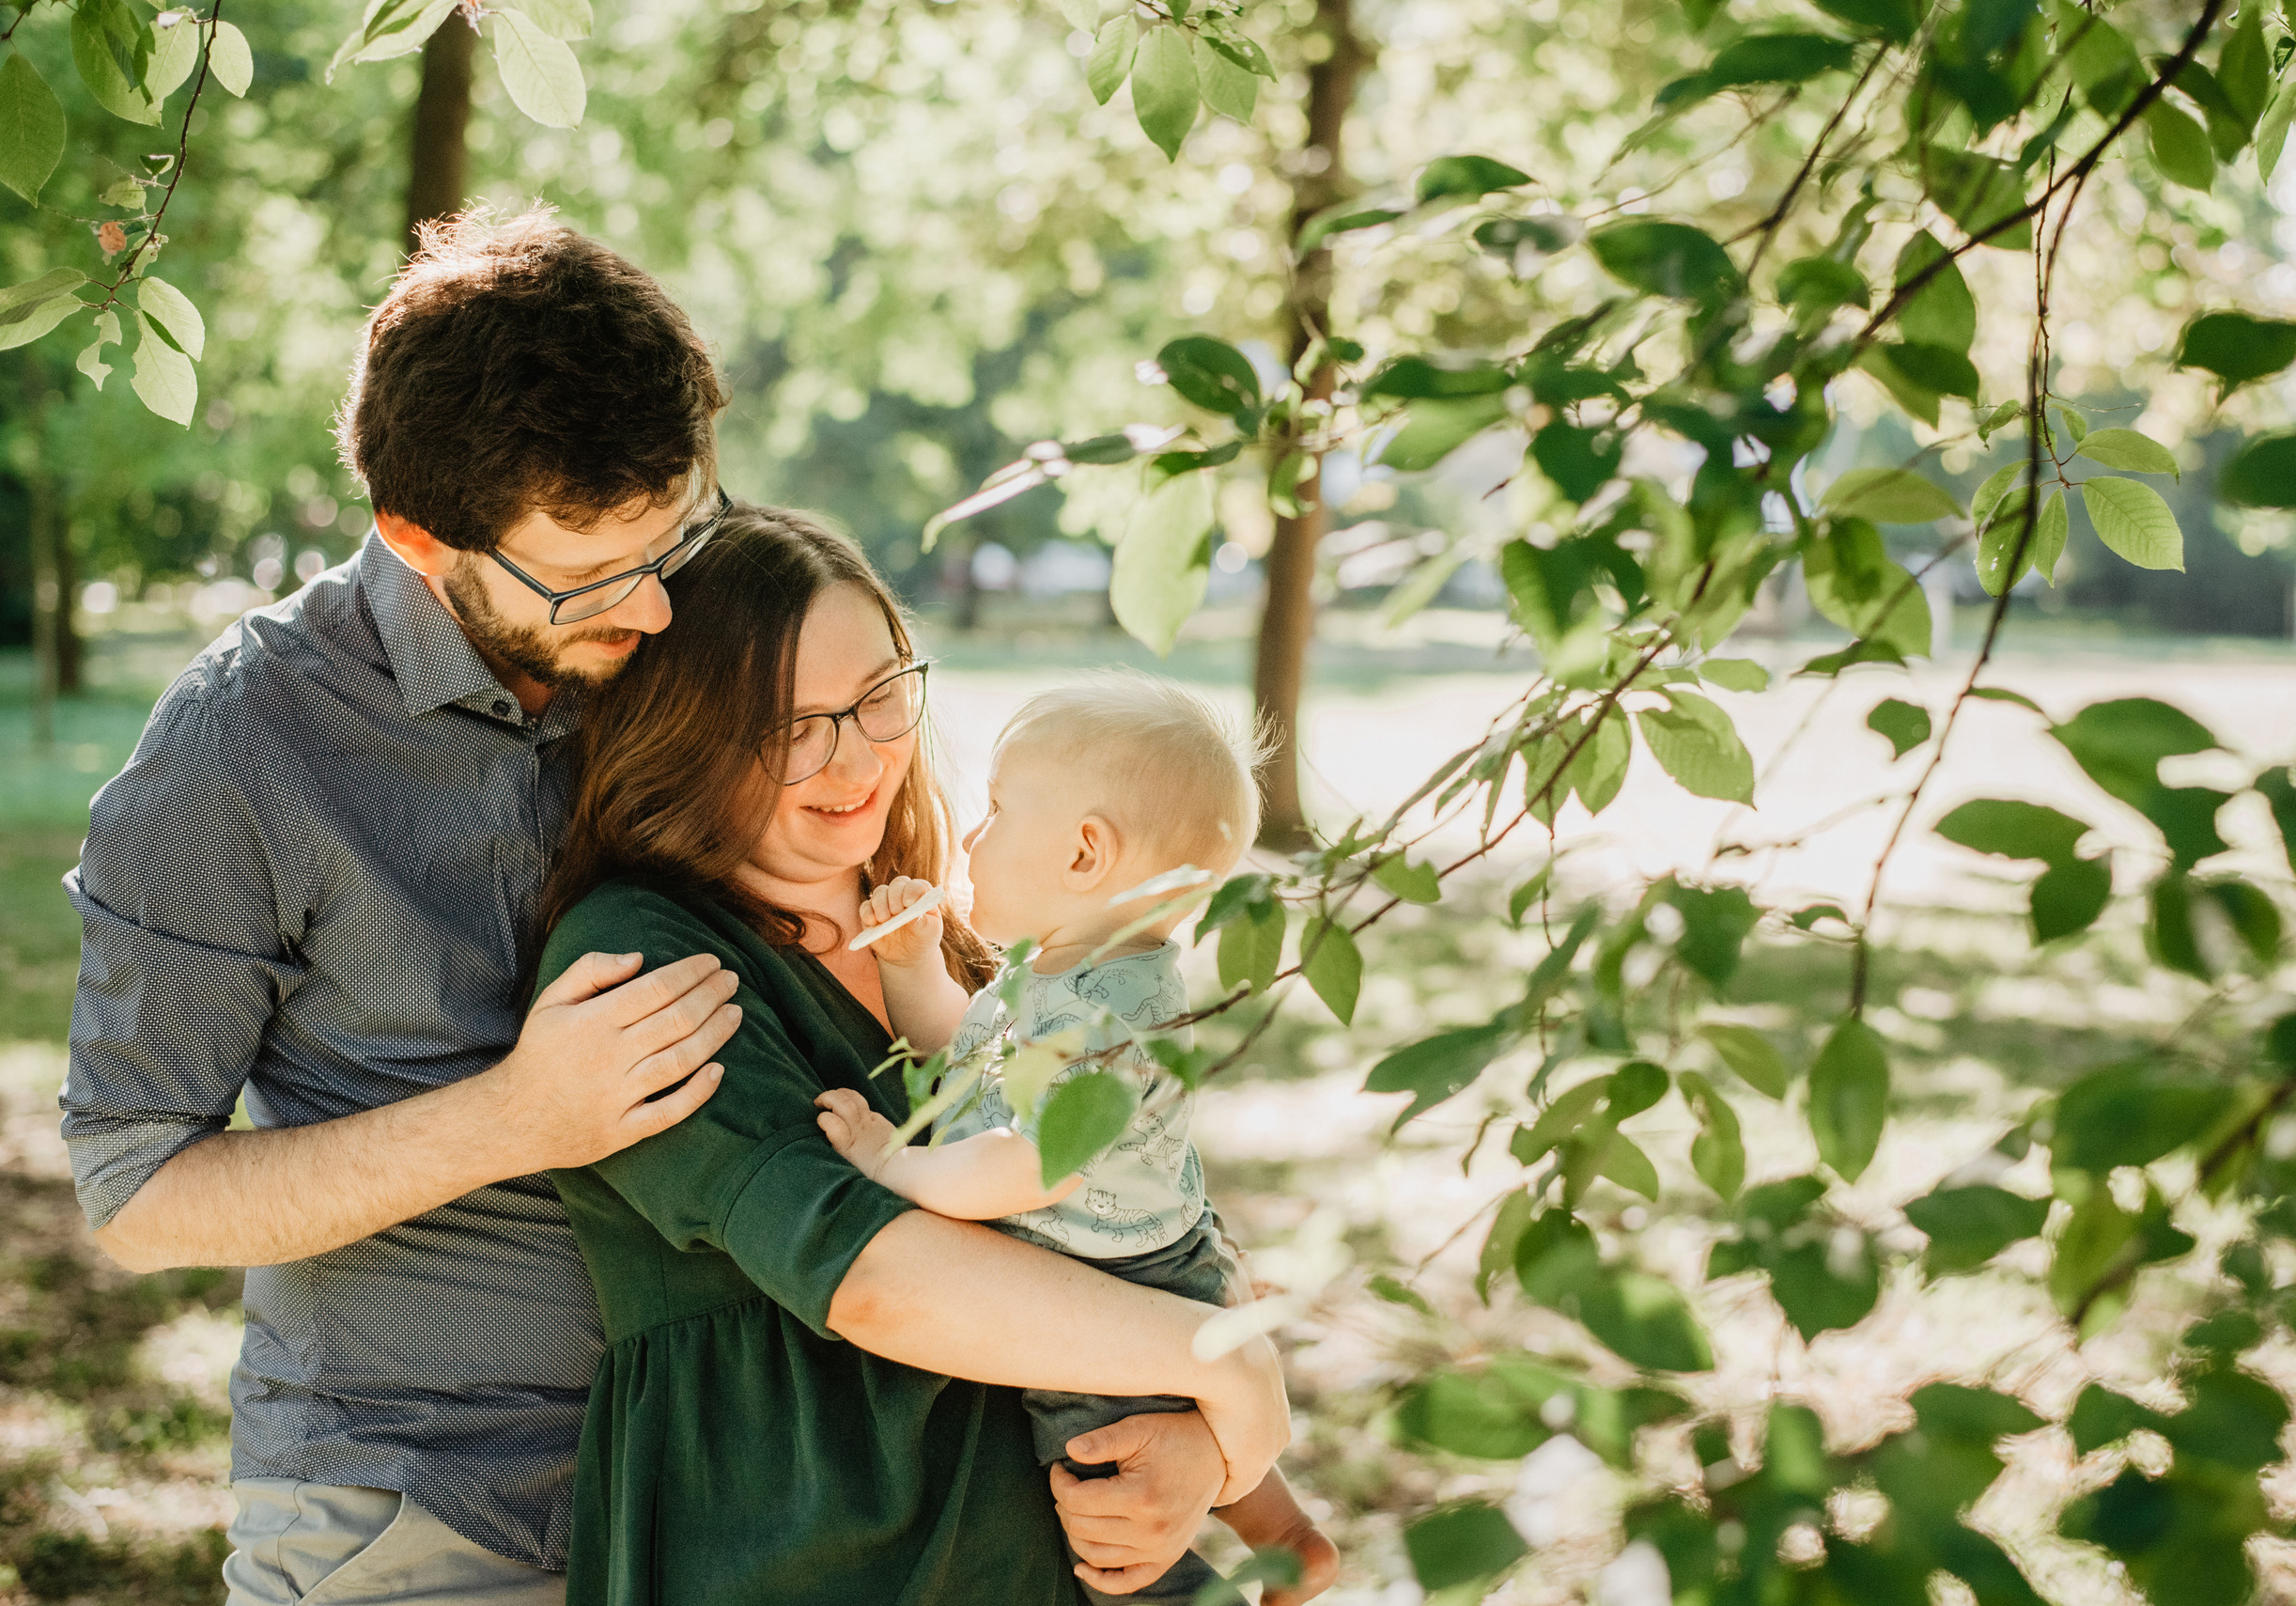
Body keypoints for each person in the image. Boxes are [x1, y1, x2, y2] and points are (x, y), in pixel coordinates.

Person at [60, 211, 745, 1606]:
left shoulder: (688, 634)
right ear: (421, 537)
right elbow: (136, 1193)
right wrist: (519, 1118)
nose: (659, 611)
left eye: (671, 542)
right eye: (595, 570)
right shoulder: (239, 747)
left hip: (737, 1476)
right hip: (422, 1505)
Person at [533, 505, 1313, 1606]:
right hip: (818, 1560)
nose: (854, 756)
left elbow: (1114, 1212)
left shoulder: (960, 938)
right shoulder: (643, 951)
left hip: (1050, 1552)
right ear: (689, 728)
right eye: (789, 722)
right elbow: (873, 1277)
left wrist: (1195, 1451)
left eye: (877, 696)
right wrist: (1216, 1362)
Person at [814, 674, 1339, 1606]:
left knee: (1104, 1486)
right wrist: (910, 963)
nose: (971, 837)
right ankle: (1286, 1536)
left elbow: (1023, 1164)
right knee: (1177, 1416)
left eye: (998, 810)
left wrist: (895, 1161)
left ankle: (1165, 1588)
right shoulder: (1066, 974)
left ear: (1085, 852)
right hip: (1159, 1259)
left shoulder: (1109, 1016)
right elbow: (971, 1064)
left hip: (1114, 1277)